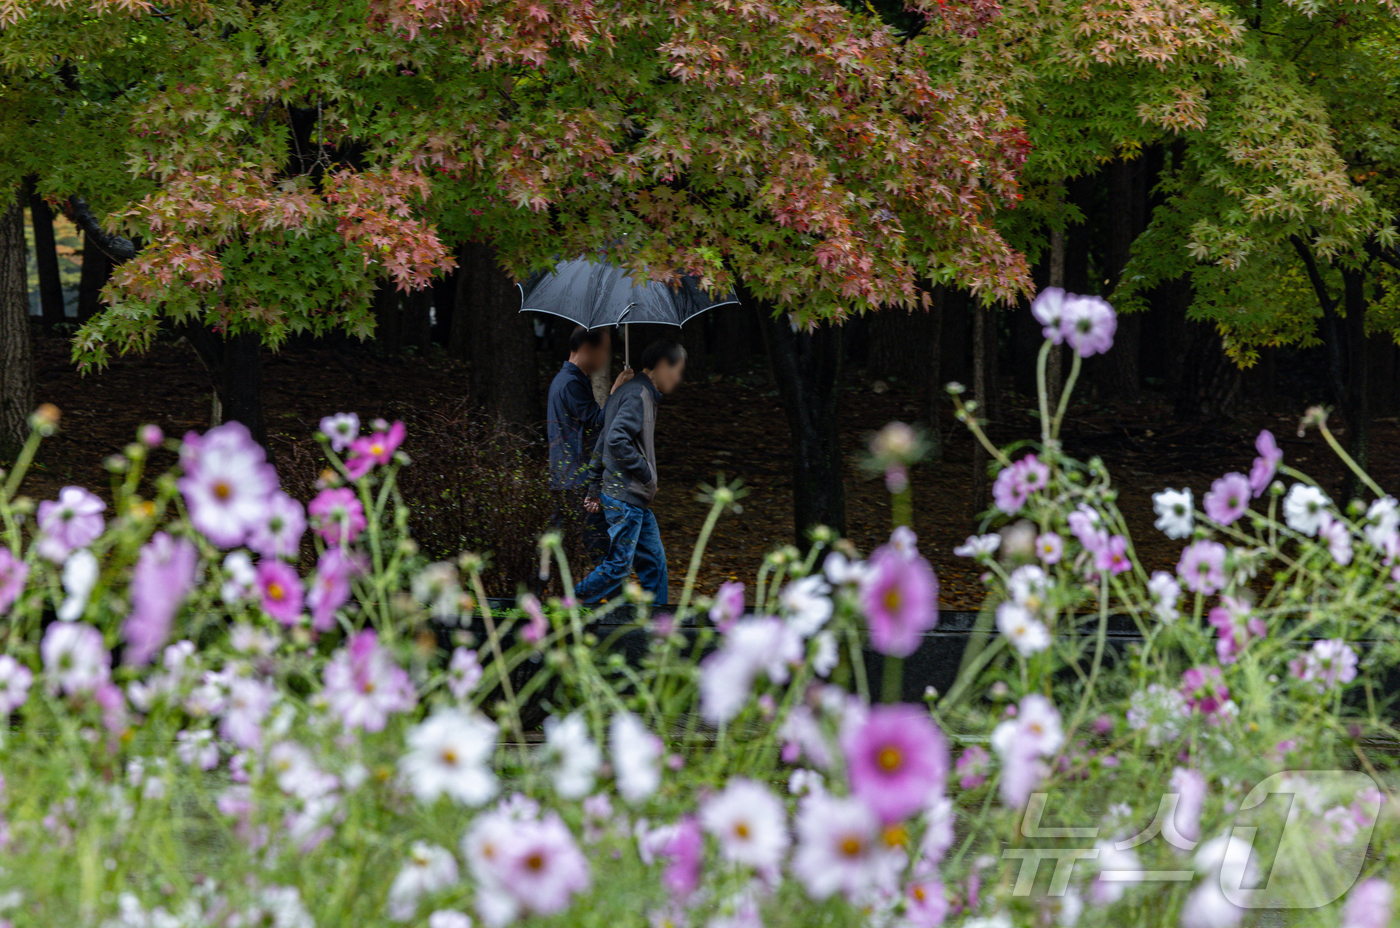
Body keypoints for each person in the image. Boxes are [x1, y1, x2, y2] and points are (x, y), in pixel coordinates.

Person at [574, 339, 687, 605]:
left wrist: (594, 489)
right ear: (661, 365)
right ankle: (571, 603)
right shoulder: (638, 395)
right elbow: (615, 441)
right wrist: (647, 475)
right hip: (626, 498)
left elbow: (602, 441)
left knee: (655, 564)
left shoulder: (626, 392)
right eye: (677, 370)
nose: (678, 378)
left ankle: (656, 628)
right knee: (619, 567)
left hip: (631, 499)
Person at [546, 326, 632, 565]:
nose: (605, 358)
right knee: (603, 554)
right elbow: (597, 423)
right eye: (603, 351)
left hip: (565, 478)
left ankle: (536, 592)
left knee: (554, 551)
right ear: (586, 349)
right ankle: (615, 601)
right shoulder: (571, 384)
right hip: (577, 481)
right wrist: (617, 389)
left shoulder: (567, 380)